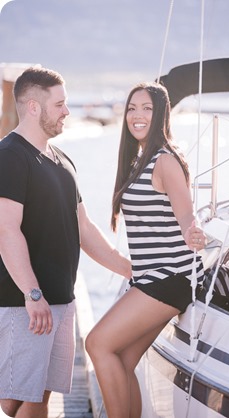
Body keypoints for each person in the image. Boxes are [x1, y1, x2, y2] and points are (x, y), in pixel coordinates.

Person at [0, 66, 131, 418]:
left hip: (61, 301)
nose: (67, 112)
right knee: (21, 399)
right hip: (25, 302)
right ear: (33, 107)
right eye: (59, 104)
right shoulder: (10, 156)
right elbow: (6, 230)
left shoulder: (62, 161)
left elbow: (84, 228)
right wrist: (33, 294)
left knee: (33, 395)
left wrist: (130, 269)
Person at [85, 81, 206, 418]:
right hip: (151, 279)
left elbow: (186, 212)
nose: (137, 115)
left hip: (170, 278)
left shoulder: (165, 160)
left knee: (96, 344)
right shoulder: (141, 159)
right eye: (132, 108)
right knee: (121, 360)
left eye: (147, 108)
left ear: (162, 114)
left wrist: (192, 230)